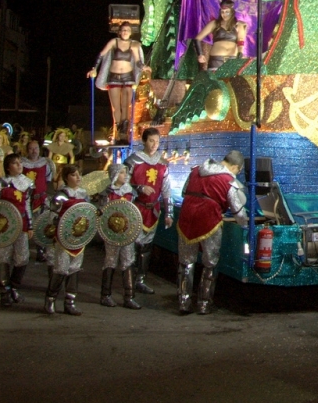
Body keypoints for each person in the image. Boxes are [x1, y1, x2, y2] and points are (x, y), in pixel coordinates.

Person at [176, 151, 246, 314]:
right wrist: (245, 223)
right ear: (235, 167)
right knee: (210, 262)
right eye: (238, 171)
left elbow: (184, 192)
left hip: (186, 218)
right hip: (209, 220)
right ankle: (204, 303)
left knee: (186, 262)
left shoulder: (195, 170)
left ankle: (183, 302)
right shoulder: (228, 180)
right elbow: (239, 212)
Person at [124, 127, 173, 295]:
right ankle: (128, 281)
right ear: (144, 141)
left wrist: (169, 213)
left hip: (153, 211)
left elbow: (166, 189)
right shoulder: (133, 161)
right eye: (151, 141)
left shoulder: (163, 164)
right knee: (131, 247)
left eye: (157, 142)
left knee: (146, 248)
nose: (154, 145)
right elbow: (121, 184)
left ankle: (141, 279)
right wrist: (138, 188)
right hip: (135, 208)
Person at [86, 21, 151, 143]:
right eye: (123, 30)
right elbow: (101, 55)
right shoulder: (113, 42)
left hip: (128, 77)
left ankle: (124, 133)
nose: (125, 32)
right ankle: (117, 130)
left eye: (127, 30)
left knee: (126, 105)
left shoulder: (134, 45)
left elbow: (137, 61)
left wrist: (144, 67)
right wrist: (94, 68)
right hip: (114, 76)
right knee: (116, 107)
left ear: (130, 33)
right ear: (120, 31)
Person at [44, 164, 89, 316]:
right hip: (63, 238)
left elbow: (88, 213)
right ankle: (50, 299)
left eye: (79, 174)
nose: (78, 178)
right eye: (74, 175)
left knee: (75, 269)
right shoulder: (61, 195)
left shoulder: (84, 194)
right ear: (66, 177)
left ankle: (70, 302)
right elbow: (52, 215)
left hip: (79, 238)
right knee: (61, 269)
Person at [0, 153, 35, 306]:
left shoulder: (28, 183)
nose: (19, 165)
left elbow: (27, 206)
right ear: (8, 167)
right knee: (3, 258)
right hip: (3, 226)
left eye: (20, 162)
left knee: (22, 258)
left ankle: (14, 288)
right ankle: (5, 291)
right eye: (15, 163)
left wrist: (30, 225)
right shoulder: (0, 183)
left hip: (21, 224)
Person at [97, 163, 141, 309]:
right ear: (115, 175)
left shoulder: (130, 192)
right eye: (122, 173)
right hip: (111, 231)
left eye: (126, 172)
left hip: (127, 232)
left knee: (128, 261)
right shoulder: (107, 193)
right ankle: (105, 295)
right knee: (110, 261)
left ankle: (129, 296)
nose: (125, 175)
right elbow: (101, 213)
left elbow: (133, 213)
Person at [21, 139, 53, 262]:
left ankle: (41, 250)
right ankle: (22, 250)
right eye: (31, 148)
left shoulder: (46, 163)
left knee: (42, 225)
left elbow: (48, 179)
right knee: (26, 224)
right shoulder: (22, 163)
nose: (34, 151)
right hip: (26, 199)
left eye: (36, 148)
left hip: (41, 199)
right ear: (27, 150)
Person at [194, 0, 247, 71]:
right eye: (222, 12)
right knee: (215, 81)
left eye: (227, 12)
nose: (224, 14)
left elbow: (241, 41)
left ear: (232, 12)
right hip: (216, 60)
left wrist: (240, 52)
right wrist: (200, 54)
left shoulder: (239, 25)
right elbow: (197, 38)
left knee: (230, 82)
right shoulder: (214, 24)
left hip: (232, 60)